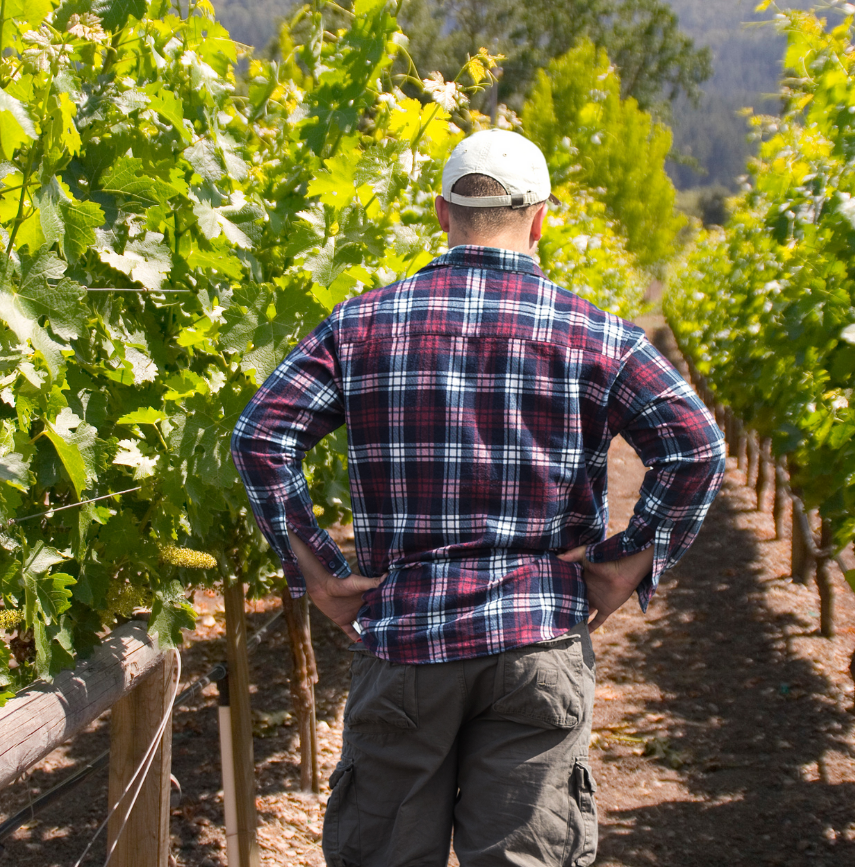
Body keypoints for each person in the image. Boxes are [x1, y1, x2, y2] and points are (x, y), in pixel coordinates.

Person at [231, 129, 726, 867]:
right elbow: (695, 445)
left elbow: (261, 437)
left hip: (407, 638)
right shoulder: (596, 334)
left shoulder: (360, 324)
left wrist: (321, 575)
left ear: (442, 212)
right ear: (542, 217)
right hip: (537, 641)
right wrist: (629, 563)